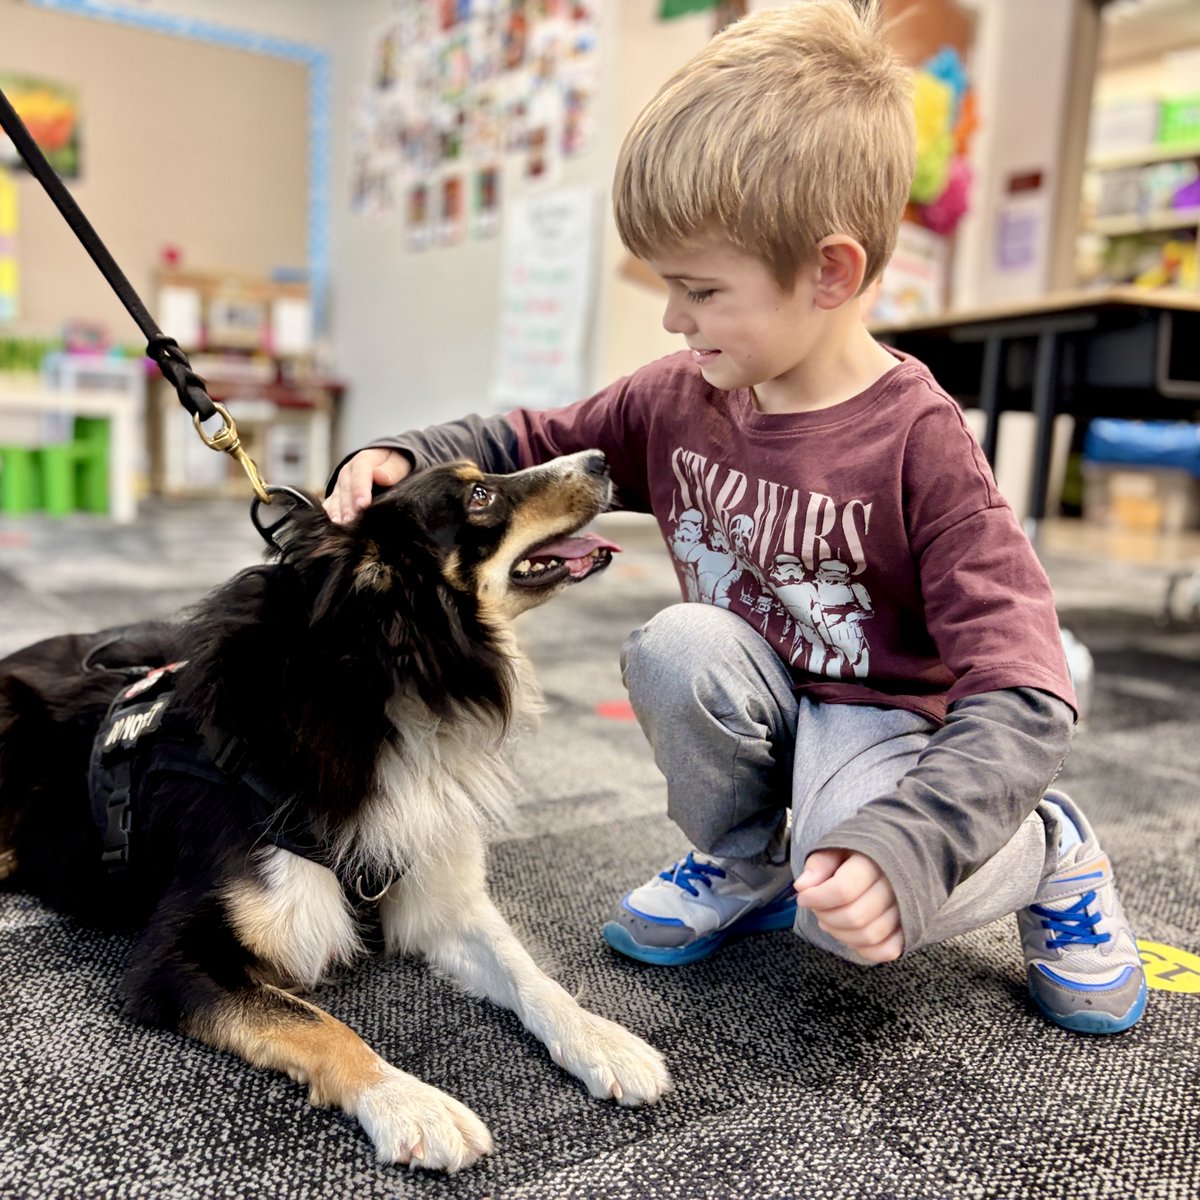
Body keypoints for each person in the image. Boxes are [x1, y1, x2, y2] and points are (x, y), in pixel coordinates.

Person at [326, 0, 1146, 1035]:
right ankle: (742, 856)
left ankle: (1048, 848)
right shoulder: (679, 393)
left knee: (851, 875)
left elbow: (1022, 686)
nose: (674, 318)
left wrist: (911, 845)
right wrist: (410, 452)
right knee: (676, 646)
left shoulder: (921, 440)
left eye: (701, 289)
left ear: (831, 272)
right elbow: (531, 437)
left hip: (890, 716)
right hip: (763, 681)